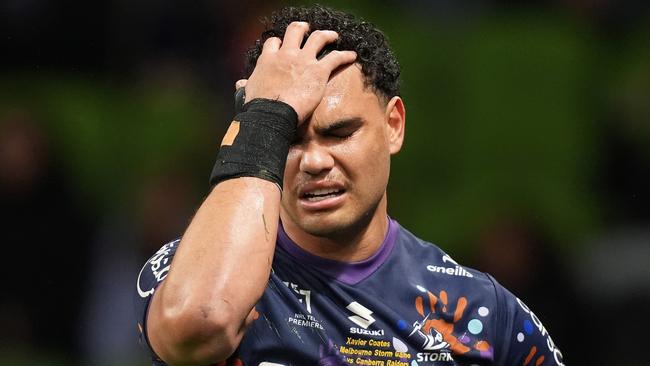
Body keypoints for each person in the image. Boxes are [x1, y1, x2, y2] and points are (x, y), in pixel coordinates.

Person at [135, 5, 565, 366]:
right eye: (289, 139)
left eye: (340, 133)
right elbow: (197, 324)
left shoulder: (480, 310)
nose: (316, 161)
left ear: (393, 125)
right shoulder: (188, 272)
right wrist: (264, 118)